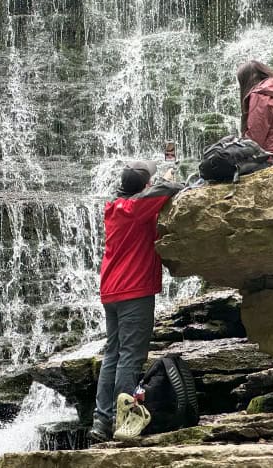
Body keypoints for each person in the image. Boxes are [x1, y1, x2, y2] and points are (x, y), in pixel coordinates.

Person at [89, 161, 184, 442]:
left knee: (113, 355)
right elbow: (170, 188)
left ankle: (101, 420)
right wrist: (163, 180)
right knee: (130, 356)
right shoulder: (135, 209)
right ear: (144, 187)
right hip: (134, 291)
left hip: (111, 291)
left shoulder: (116, 208)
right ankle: (124, 420)